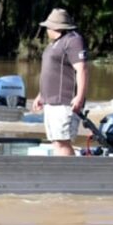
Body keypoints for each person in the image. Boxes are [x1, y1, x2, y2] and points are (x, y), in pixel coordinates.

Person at [31, 8, 89, 156]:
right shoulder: (55, 43)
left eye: (48, 26)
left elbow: (82, 69)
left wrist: (79, 97)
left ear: (56, 27)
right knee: (55, 141)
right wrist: (40, 96)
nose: (46, 29)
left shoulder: (73, 40)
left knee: (62, 141)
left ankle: (68, 177)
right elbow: (52, 72)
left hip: (65, 103)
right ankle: (61, 174)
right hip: (51, 102)